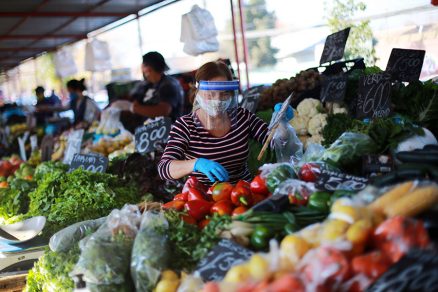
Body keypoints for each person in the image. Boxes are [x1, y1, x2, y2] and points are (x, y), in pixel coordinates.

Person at [158, 61, 293, 186]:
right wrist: (196, 164)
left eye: (224, 94)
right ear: (198, 92)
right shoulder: (185, 126)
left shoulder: (242, 116)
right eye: (210, 94)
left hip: (244, 192)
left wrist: (281, 122)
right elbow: (164, 168)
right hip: (203, 199)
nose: (217, 100)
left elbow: (275, 141)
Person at [110, 51, 184, 122]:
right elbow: (134, 98)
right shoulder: (148, 84)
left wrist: (133, 108)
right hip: (147, 129)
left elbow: (164, 110)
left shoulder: (169, 85)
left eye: (143, 66)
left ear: (148, 69)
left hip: (167, 130)